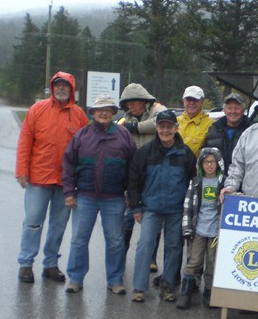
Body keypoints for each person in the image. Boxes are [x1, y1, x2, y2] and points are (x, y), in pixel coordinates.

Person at [15, 71, 89, 283]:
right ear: (52, 87)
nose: (61, 88)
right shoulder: (37, 110)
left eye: (65, 85)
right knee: (32, 222)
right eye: (58, 85)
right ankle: (26, 263)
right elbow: (25, 141)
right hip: (38, 178)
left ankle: (50, 264)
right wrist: (22, 170)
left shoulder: (79, 115)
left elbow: (86, 149)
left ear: (72, 88)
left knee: (58, 225)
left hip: (66, 183)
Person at [61, 95, 136, 294]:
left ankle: (115, 280)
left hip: (115, 197)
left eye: (108, 109)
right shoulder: (81, 135)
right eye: (99, 109)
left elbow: (133, 168)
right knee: (78, 239)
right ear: (92, 113)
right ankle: (75, 278)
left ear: (113, 113)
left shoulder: (124, 135)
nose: (103, 113)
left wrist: (131, 194)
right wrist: (69, 191)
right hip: (85, 196)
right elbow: (68, 164)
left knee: (115, 241)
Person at [128, 110, 196, 303]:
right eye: (162, 126)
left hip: (176, 209)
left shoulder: (186, 154)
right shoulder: (145, 152)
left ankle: (167, 286)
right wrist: (136, 207)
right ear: (157, 128)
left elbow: (193, 182)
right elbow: (133, 180)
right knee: (144, 246)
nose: (165, 130)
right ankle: (139, 288)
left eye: (169, 126)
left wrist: (189, 209)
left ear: (176, 128)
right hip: (151, 208)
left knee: (174, 247)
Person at [117, 83, 166, 273]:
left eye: (133, 102)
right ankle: (121, 255)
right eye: (127, 103)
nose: (130, 107)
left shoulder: (157, 110)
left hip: (155, 175)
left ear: (143, 101)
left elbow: (161, 122)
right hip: (133, 177)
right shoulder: (124, 120)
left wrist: (135, 127)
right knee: (128, 217)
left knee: (154, 220)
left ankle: (152, 257)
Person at [177, 147, 224, 309]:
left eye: (213, 162)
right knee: (194, 261)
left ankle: (210, 293)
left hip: (216, 232)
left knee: (213, 262)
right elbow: (188, 206)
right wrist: (187, 228)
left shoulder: (223, 183)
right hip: (198, 230)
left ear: (218, 164)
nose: (210, 165)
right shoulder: (196, 182)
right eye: (206, 162)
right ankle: (186, 292)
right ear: (201, 164)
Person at [202, 93, 251, 173]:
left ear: (243, 110)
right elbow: (205, 157)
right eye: (229, 108)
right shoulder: (214, 130)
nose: (233, 111)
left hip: (243, 180)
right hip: (217, 180)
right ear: (224, 110)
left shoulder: (251, 130)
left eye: (237, 108)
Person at [178, 85, 213, 157]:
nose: (191, 103)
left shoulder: (211, 124)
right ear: (183, 101)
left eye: (195, 100)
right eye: (188, 99)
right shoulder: (175, 121)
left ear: (202, 102)